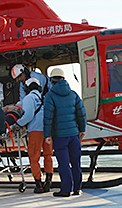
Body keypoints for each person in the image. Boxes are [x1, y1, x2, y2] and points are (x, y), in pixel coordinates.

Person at [43, 68, 86, 197]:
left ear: (51, 81)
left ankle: (66, 190)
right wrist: (82, 129)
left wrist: (47, 135)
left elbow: (47, 117)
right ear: (64, 79)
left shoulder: (50, 96)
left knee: (63, 163)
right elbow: (81, 114)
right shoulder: (73, 94)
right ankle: (77, 189)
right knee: (76, 162)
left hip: (59, 137)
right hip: (74, 135)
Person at [15, 78, 53, 193]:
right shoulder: (45, 98)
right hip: (47, 130)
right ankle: (48, 182)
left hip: (35, 131)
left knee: (34, 158)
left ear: (27, 88)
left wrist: (17, 124)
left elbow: (28, 116)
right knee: (48, 155)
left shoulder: (28, 98)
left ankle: (39, 184)